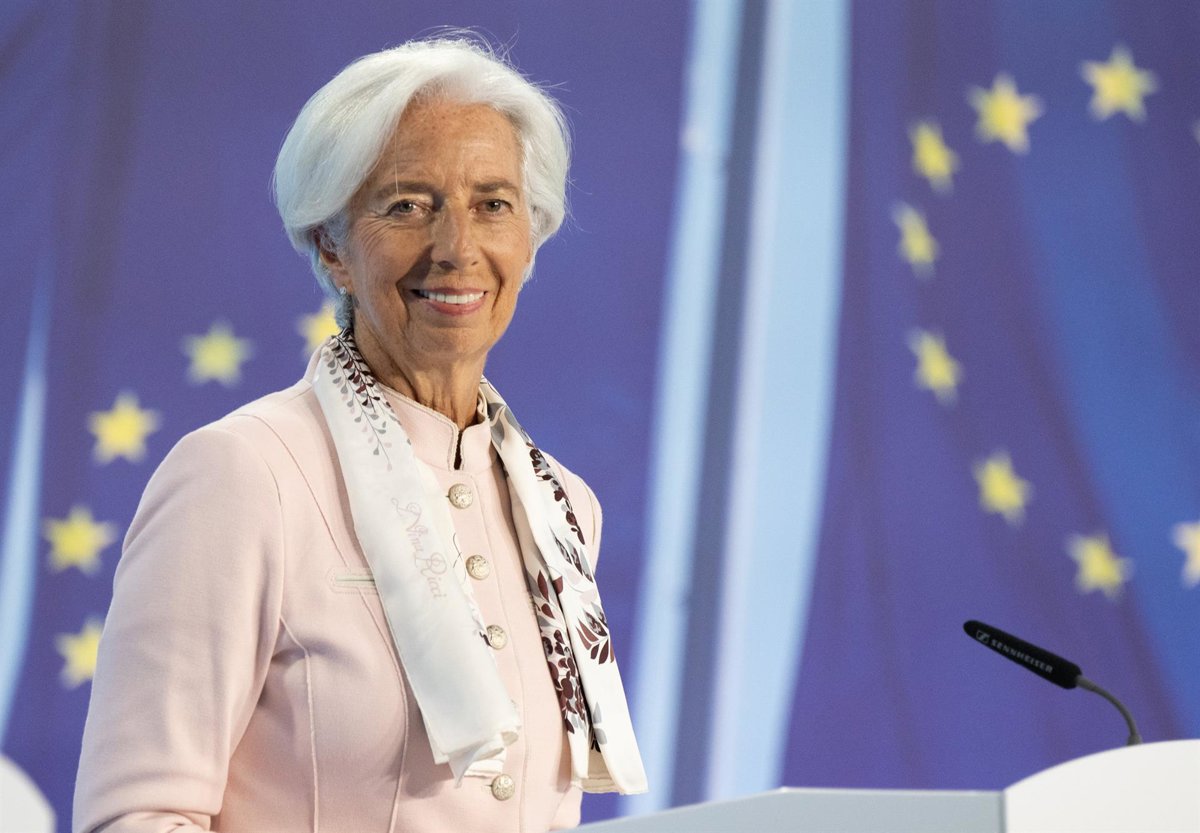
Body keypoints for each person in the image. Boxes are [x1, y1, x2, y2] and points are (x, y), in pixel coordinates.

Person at [73, 37, 646, 833]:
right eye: (407, 205)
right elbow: (136, 816)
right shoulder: (243, 473)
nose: (457, 248)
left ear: (530, 238)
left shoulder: (563, 508)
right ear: (331, 246)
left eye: (493, 204)